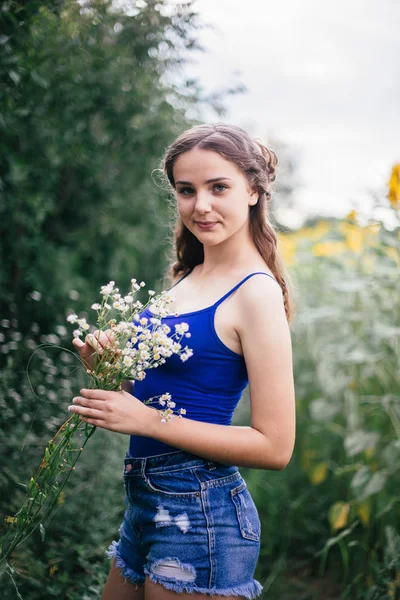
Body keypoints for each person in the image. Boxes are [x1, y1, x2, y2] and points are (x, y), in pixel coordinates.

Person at [70, 123, 296, 599]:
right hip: (146, 502)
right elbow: (170, 394)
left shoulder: (256, 292)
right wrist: (110, 375)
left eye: (219, 187)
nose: (201, 206)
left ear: (254, 190)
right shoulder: (189, 276)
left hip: (201, 512)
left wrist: (148, 419)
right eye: (186, 190)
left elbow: (275, 447)